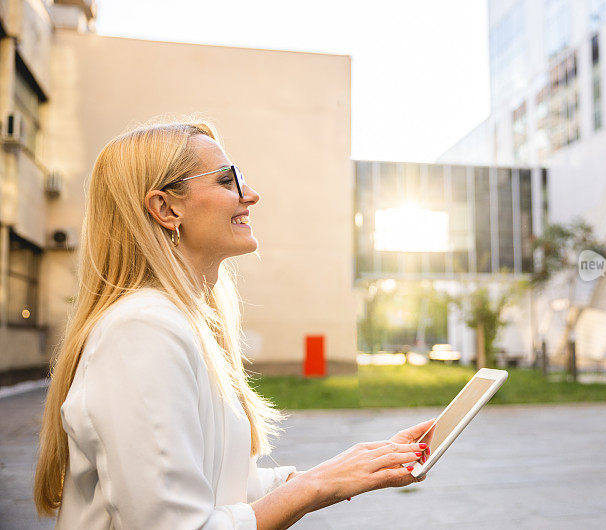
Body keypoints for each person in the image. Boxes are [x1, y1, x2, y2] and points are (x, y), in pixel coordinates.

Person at [32, 120, 434, 529]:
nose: (251, 195)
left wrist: (350, 467)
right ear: (167, 208)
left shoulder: (177, 322)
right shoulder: (142, 329)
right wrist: (316, 487)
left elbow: (217, 486)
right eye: (228, 181)